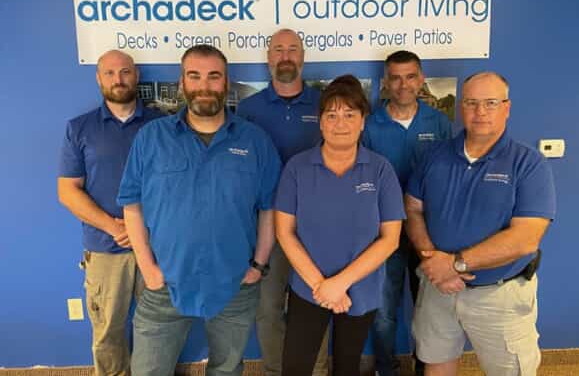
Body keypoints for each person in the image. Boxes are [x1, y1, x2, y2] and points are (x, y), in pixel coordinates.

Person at [116, 45, 281, 376]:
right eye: (195, 76)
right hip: (165, 281)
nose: (204, 86)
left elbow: (269, 209)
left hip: (234, 282)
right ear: (182, 83)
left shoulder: (254, 141)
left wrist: (258, 265)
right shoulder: (151, 138)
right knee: (148, 371)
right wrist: (148, 268)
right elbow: (132, 205)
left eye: (213, 76)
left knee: (226, 369)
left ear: (226, 83)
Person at [405, 72, 556, 376]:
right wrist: (432, 259)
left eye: (490, 103)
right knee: (436, 365)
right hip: (438, 288)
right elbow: (413, 209)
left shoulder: (528, 164)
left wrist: (456, 264)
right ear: (462, 107)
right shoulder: (434, 156)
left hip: (499, 295)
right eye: (472, 103)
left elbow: (526, 238)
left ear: (507, 108)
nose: (480, 112)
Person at [274, 75, 405, 376]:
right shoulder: (297, 168)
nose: (340, 123)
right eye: (331, 115)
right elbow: (284, 232)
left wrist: (339, 284)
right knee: (295, 367)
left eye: (349, 114)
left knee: (347, 366)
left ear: (362, 121)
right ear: (320, 122)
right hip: (309, 288)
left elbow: (390, 239)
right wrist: (322, 286)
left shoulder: (380, 170)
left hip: (361, 288)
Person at [57, 50, 162, 376]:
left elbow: (176, 185)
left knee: (159, 328)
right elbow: (68, 191)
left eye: (125, 72)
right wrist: (116, 227)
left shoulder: (162, 126)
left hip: (157, 245)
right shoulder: (79, 128)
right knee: (107, 333)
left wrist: (142, 227)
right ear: (99, 78)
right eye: (110, 73)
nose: (119, 79)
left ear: (137, 75)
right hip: (105, 249)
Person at [237, 28, 325, 376]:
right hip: (267, 228)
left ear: (303, 57)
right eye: (278, 50)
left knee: (315, 305)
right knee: (268, 309)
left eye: (292, 49)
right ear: (268, 58)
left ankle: (316, 372)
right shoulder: (249, 109)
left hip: (315, 227)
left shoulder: (324, 104)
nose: (285, 56)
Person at [362, 50, 451, 376]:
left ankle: (426, 368)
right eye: (395, 78)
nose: (403, 85)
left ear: (421, 79)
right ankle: (385, 369)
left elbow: (448, 176)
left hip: (428, 232)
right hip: (384, 232)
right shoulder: (370, 125)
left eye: (410, 77)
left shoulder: (438, 123)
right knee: (384, 311)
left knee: (430, 310)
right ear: (385, 82)